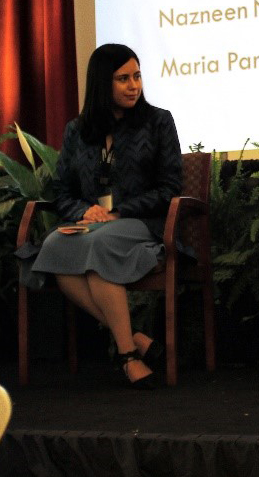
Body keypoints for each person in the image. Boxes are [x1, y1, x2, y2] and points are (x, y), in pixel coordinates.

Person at [25, 43, 182, 388]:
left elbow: (169, 188)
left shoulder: (158, 122)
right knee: (54, 247)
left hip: (145, 223)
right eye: (123, 78)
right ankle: (135, 337)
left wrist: (119, 211)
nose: (134, 86)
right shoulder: (77, 130)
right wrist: (86, 210)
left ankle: (127, 356)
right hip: (93, 224)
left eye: (137, 76)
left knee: (97, 247)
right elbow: (62, 191)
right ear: (101, 83)